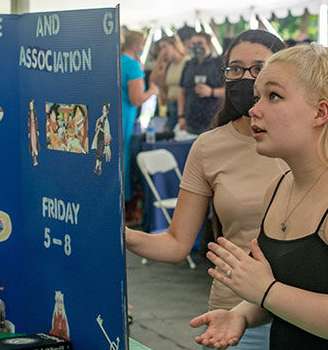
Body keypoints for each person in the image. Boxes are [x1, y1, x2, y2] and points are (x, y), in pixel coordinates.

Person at [191, 43, 328, 349]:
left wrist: (264, 291)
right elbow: (288, 291)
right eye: (257, 98)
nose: (254, 109)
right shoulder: (279, 188)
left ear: (320, 112)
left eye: (273, 96)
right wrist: (241, 314)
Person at [126, 30, 287, 349]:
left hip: (305, 314)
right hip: (234, 317)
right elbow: (176, 243)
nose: (246, 78)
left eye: (258, 68)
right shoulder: (209, 147)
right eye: (235, 69)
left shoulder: (302, 139)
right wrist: (121, 234)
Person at [121, 30, 159, 199]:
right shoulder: (132, 65)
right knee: (124, 157)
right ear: (137, 46)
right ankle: (125, 198)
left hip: (114, 114)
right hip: (125, 116)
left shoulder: (117, 61)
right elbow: (136, 99)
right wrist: (152, 90)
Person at [178, 32, 225, 135]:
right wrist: (181, 116)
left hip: (213, 121)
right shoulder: (188, 64)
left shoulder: (218, 63)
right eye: (193, 44)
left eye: (200, 43)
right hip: (190, 121)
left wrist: (211, 92)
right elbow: (181, 91)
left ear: (208, 45)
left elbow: (229, 91)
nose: (196, 47)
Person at [154, 35, 189, 132]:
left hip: (182, 106)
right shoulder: (169, 64)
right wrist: (159, 60)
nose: (163, 51)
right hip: (170, 105)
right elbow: (156, 81)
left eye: (165, 47)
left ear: (174, 46)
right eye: (161, 48)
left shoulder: (186, 62)